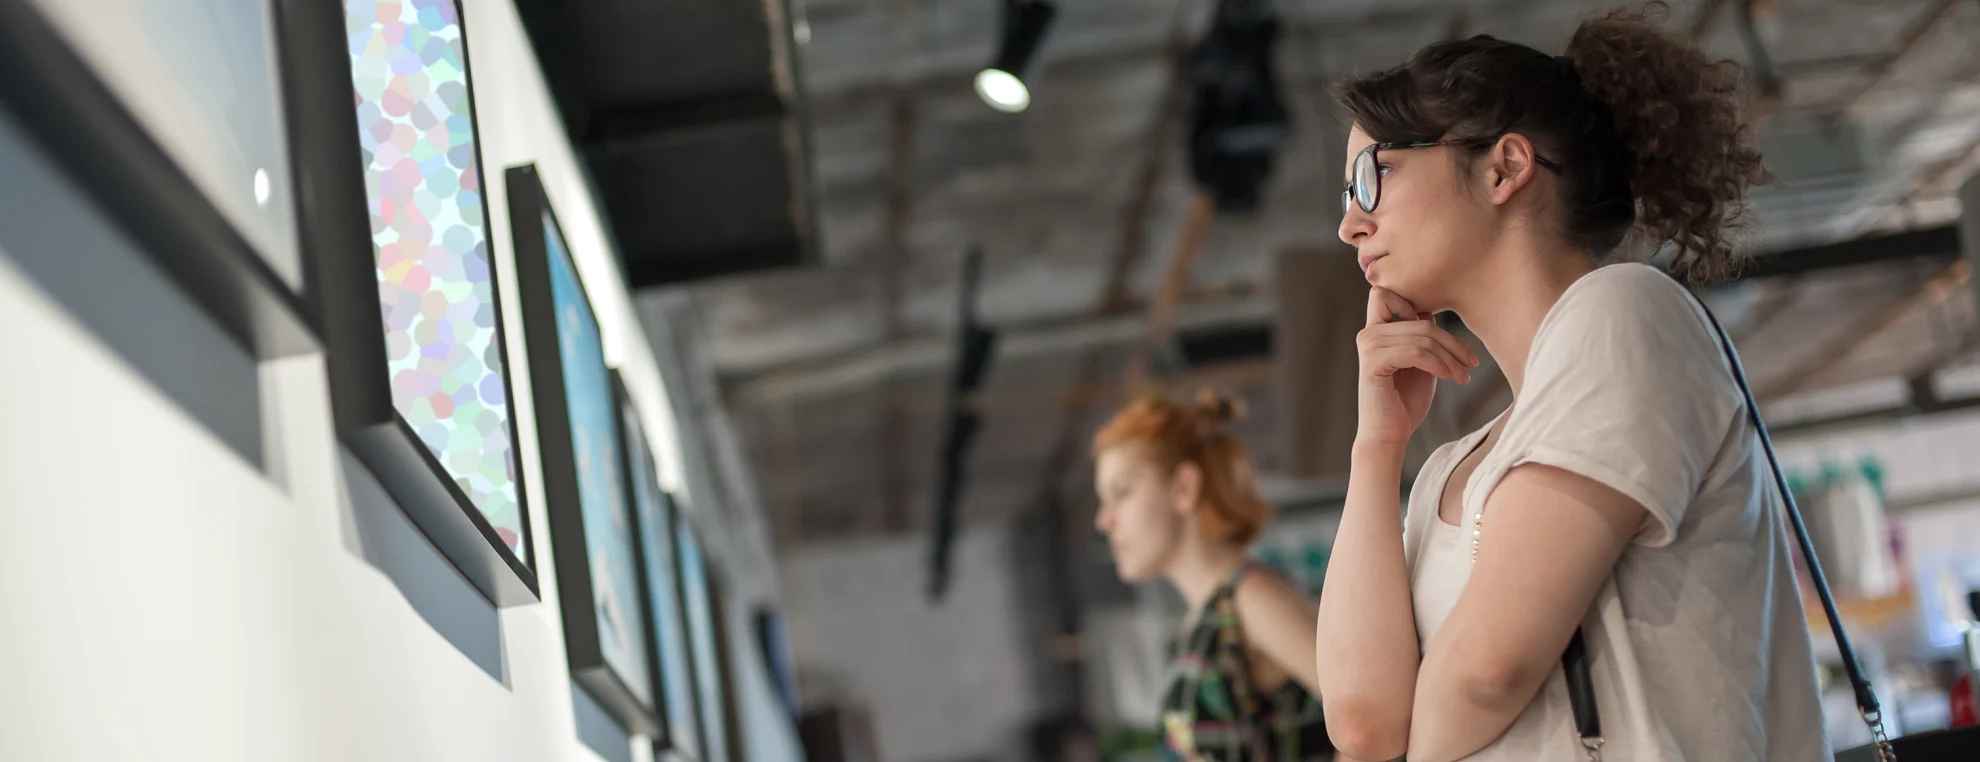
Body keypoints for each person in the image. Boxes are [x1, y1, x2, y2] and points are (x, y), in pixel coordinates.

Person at [1310, 4, 1825, 761]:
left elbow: (1489, 669)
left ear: (1504, 167)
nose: (1351, 224)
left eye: (1370, 177)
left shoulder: (1624, 310)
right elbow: (1361, 725)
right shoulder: (1448, 471)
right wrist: (1376, 447)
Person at [1092, 392, 1332, 761]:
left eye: (1121, 493)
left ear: (1183, 488)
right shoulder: (1206, 618)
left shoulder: (1251, 598)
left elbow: (1369, 717)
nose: (1104, 521)